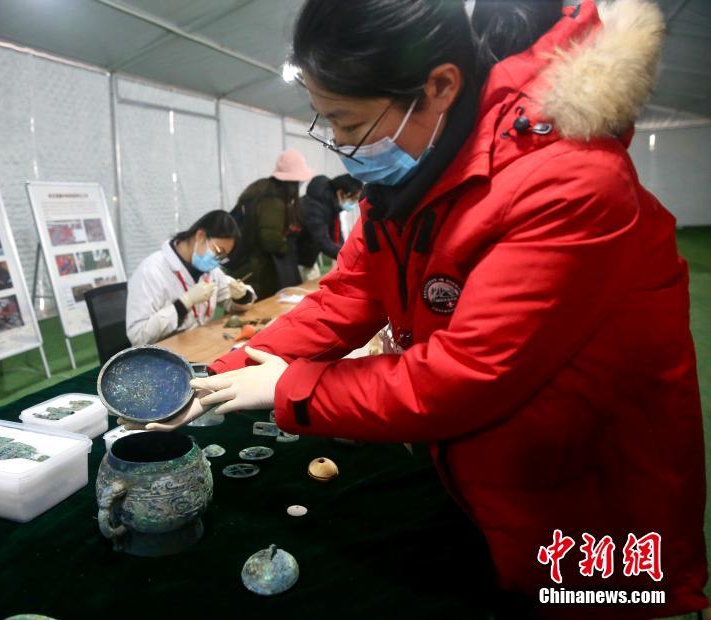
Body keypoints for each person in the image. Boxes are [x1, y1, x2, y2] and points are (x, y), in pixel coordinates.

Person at [134, 1, 709, 617]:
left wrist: (288, 388)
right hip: (487, 479)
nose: (341, 145)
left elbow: (463, 376)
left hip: (589, 508)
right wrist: (221, 374)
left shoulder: (571, 185)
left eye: (348, 123)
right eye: (325, 122)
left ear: (438, 87)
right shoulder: (408, 181)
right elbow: (349, 293)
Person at [125, 210, 255, 346]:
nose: (217, 260)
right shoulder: (151, 271)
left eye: (223, 256)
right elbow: (138, 336)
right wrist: (183, 304)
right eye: (218, 252)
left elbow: (230, 300)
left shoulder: (210, 271)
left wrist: (241, 296)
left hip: (198, 346)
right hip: (163, 356)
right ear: (200, 236)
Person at [226, 149, 315, 299]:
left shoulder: (260, 189)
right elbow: (270, 240)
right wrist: (285, 245)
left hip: (244, 263)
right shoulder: (273, 200)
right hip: (256, 269)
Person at [296, 173, 363, 280]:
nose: (354, 203)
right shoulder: (314, 207)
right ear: (341, 193)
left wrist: (347, 253)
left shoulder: (332, 204)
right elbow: (322, 240)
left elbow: (336, 234)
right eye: (354, 199)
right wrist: (347, 257)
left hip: (310, 253)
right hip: (298, 256)